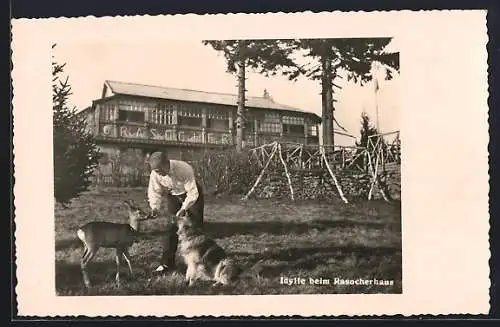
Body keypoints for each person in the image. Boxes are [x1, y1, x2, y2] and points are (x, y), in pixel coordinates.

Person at [146, 151, 204, 274]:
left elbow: (193, 193)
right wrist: (155, 207)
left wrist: (184, 209)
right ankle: (166, 264)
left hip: (192, 195)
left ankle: (199, 262)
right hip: (173, 195)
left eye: (160, 170)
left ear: (167, 164)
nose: (159, 173)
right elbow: (154, 192)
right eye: (156, 171)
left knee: (194, 228)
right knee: (170, 228)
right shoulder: (155, 174)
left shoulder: (184, 168)